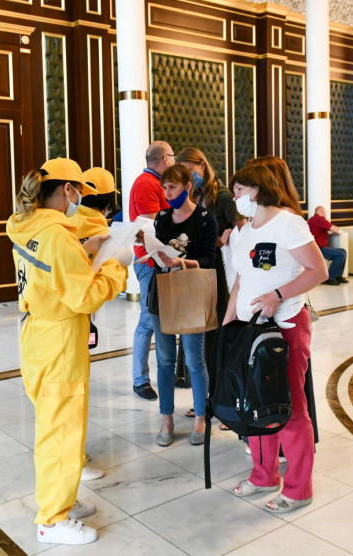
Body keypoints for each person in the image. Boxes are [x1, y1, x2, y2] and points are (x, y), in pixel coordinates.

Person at [6, 158, 132, 546]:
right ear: (67, 190)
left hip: (38, 333)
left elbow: (53, 267)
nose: (81, 199)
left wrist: (83, 248)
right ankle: (52, 519)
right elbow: (85, 297)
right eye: (79, 191)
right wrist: (116, 267)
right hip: (60, 339)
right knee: (61, 431)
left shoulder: (25, 224)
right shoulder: (57, 237)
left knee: (59, 424)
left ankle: (63, 497)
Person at [225, 165, 327, 514]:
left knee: (290, 406)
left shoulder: (288, 223)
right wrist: (228, 323)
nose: (235, 198)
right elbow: (240, 280)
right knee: (254, 402)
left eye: (239, 190)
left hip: (285, 326)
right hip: (249, 329)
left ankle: (299, 489)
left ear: (257, 189)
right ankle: (264, 475)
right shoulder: (245, 230)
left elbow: (319, 270)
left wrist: (278, 295)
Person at [151, 164, 218, 446]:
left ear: (188, 187)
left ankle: (201, 416)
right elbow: (156, 252)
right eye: (164, 188)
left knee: (193, 359)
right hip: (162, 291)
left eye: (173, 188)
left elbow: (210, 260)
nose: (167, 193)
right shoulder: (162, 217)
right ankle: (167, 418)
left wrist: (182, 262)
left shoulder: (204, 218)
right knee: (165, 359)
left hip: (191, 291)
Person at [175, 147, 244, 404]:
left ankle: (220, 398)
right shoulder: (193, 195)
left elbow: (241, 233)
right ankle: (202, 399)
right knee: (196, 336)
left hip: (217, 271)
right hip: (195, 270)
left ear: (202, 166)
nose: (188, 176)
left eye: (189, 170)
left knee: (216, 336)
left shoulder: (223, 196)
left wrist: (222, 239)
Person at [69, 166, 119, 481]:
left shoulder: (60, 224)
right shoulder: (97, 225)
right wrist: (116, 268)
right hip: (73, 319)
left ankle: (73, 454)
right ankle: (74, 459)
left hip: (50, 321)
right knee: (75, 393)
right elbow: (95, 285)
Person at [129, 141, 174, 400]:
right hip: (149, 262)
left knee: (161, 319)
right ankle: (140, 380)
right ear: (165, 159)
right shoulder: (146, 183)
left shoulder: (156, 182)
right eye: (172, 157)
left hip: (160, 260)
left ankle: (166, 372)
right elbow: (152, 226)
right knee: (148, 320)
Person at [308, 206, 348, 285]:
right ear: (322, 212)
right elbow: (335, 229)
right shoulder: (320, 219)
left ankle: (338, 276)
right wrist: (334, 227)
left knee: (343, 251)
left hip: (313, 248)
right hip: (319, 249)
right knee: (340, 254)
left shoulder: (311, 219)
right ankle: (330, 277)